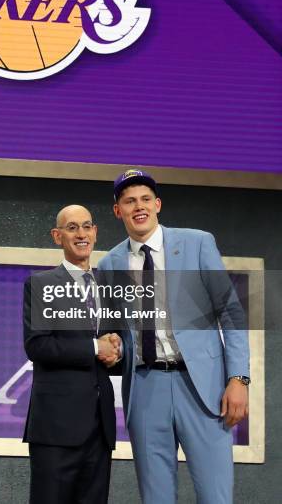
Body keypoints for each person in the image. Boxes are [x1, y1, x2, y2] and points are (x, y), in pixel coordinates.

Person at [97, 169, 250, 504]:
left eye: (145, 199)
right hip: (146, 386)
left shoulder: (197, 243)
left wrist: (239, 378)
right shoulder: (110, 263)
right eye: (129, 201)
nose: (139, 207)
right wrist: (113, 347)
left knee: (216, 496)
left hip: (203, 388)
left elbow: (231, 313)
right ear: (118, 210)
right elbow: (112, 331)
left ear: (158, 204)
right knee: (156, 498)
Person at [23, 204, 120, 504]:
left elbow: (115, 345)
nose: (81, 234)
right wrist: (95, 348)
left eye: (87, 226)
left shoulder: (110, 286)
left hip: (99, 429)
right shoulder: (41, 284)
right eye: (72, 227)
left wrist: (117, 351)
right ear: (57, 236)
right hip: (55, 429)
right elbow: (37, 346)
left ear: (95, 232)